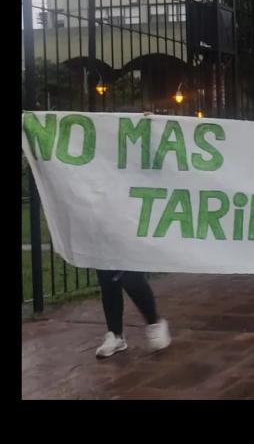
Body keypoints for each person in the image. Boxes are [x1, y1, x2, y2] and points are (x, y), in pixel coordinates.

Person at [95, 106, 171, 359]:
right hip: (105, 215)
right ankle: (115, 335)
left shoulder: (142, 153)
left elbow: (160, 163)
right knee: (107, 276)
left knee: (128, 274)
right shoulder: (102, 150)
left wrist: (151, 128)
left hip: (134, 216)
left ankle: (154, 322)